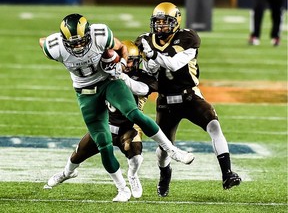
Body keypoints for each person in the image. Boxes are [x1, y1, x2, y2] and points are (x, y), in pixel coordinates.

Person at [39, 13, 194, 202]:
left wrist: (120, 64)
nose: (79, 46)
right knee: (103, 144)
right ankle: (122, 189)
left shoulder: (101, 33)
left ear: (89, 33)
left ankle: (171, 150)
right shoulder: (54, 47)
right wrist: (49, 40)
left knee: (133, 113)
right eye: (74, 43)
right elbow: (43, 42)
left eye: (82, 41)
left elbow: (120, 48)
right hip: (85, 91)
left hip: (108, 80)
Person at [136, 2, 241, 197]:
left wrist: (151, 54)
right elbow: (147, 70)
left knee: (214, 126)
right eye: (157, 22)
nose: (160, 26)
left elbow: (174, 64)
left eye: (165, 22)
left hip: (189, 96)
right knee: (164, 149)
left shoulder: (188, 37)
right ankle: (164, 173)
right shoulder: (145, 40)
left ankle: (227, 173)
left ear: (175, 22)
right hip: (165, 101)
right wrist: (144, 62)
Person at [43, 40, 158, 199]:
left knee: (135, 153)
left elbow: (141, 89)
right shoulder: (105, 73)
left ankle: (132, 176)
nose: (129, 63)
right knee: (77, 155)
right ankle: (66, 173)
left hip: (129, 127)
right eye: (125, 59)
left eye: (132, 60)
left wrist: (120, 75)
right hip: (106, 124)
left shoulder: (142, 77)